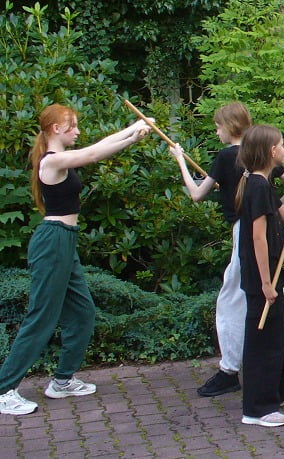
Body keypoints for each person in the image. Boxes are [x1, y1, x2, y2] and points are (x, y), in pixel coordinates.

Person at [0, 104, 149, 416]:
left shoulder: (61, 159)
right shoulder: (51, 162)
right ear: (57, 129)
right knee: (41, 316)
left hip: (65, 241)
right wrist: (133, 132)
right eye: (73, 126)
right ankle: (4, 389)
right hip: (52, 241)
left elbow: (97, 148)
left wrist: (133, 132)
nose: (77, 131)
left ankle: (62, 381)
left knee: (82, 312)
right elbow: (94, 153)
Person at [169, 102, 284, 397]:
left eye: (217, 126)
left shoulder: (228, 155)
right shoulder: (260, 153)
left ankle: (231, 369)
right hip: (262, 225)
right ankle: (267, 376)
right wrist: (271, 207)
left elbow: (196, 194)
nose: (216, 131)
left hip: (247, 230)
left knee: (233, 300)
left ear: (230, 126)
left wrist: (180, 159)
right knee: (252, 298)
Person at [235, 124, 284, 427]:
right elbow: (257, 237)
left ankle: (280, 391)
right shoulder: (255, 185)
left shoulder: (264, 184)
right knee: (261, 342)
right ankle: (256, 409)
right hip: (262, 276)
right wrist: (266, 283)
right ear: (271, 151)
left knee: (278, 338)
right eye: (281, 145)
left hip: (273, 272)